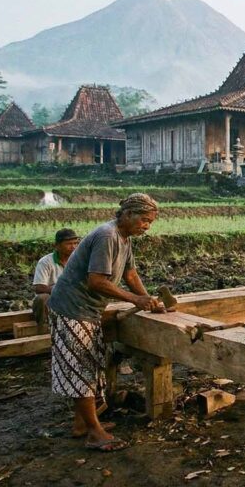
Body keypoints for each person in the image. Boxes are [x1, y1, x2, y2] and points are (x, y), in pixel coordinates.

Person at [47, 193, 164, 452]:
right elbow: (96, 281)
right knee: (80, 368)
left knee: (89, 364)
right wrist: (135, 299)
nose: (146, 226)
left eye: (150, 223)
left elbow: (130, 274)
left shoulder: (124, 239)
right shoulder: (107, 236)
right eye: (144, 220)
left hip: (88, 309)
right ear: (128, 214)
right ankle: (94, 433)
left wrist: (146, 299)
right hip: (72, 308)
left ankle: (82, 423)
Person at [32, 228, 81, 333]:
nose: (73, 247)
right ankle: (44, 329)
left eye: (75, 243)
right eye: (69, 244)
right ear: (57, 245)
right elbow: (38, 288)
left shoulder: (79, 260)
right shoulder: (45, 262)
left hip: (72, 298)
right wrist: (62, 290)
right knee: (42, 298)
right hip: (53, 298)